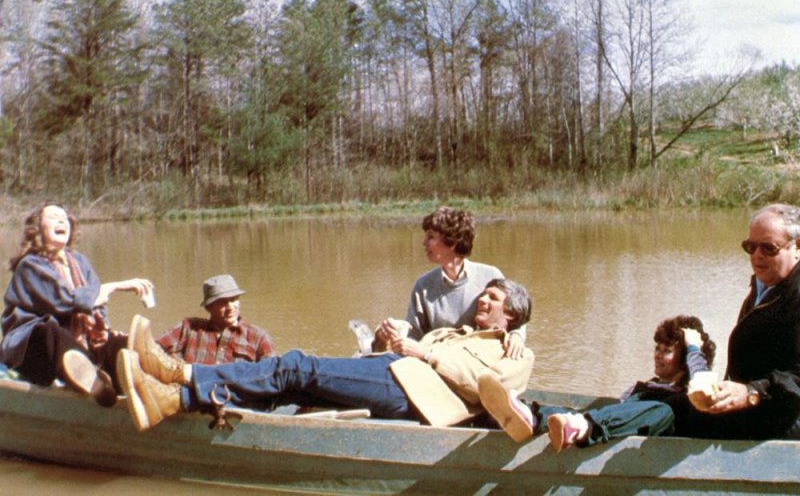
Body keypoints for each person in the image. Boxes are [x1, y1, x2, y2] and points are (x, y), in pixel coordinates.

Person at [117, 278, 534, 432]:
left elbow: (484, 387)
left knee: (296, 365)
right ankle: (170, 400)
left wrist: (424, 352)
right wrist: (391, 341)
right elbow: (415, 353)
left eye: (492, 298)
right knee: (288, 386)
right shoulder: (458, 333)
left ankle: (183, 375)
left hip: (414, 393)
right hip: (395, 374)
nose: (482, 300)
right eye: (483, 294)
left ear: (511, 314)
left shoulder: (516, 352)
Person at [480, 315, 715, 450]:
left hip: (641, 435)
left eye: (667, 351)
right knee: (579, 414)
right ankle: (533, 417)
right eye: (657, 348)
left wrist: (694, 347)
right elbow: (616, 414)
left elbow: (703, 384)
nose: (657, 355)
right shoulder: (642, 388)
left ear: (685, 361)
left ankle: (580, 426)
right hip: (606, 427)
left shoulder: (688, 397)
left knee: (663, 410)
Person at [0, 203, 153, 406]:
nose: (61, 221)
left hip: (79, 346)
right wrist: (115, 286)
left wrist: (102, 330)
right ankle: (95, 382)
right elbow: (68, 300)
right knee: (50, 330)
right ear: (37, 229)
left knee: (120, 343)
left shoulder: (81, 262)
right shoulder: (30, 265)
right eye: (53, 217)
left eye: (65, 218)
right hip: (33, 350)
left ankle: (135, 385)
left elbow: (96, 304)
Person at [671, 203, 800, 440]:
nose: (757, 255)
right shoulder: (765, 285)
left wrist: (751, 393)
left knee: (675, 415)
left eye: (769, 248)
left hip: (789, 417)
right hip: (761, 406)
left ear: (797, 247)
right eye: (751, 246)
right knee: (670, 403)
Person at [373, 206, 526, 359]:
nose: (423, 242)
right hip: (435, 364)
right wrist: (387, 336)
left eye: (431, 237)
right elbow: (414, 338)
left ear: (452, 241)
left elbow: (516, 314)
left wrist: (517, 336)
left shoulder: (490, 276)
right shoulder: (423, 286)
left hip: (479, 361)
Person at [156, 274, 275, 364]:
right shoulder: (188, 328)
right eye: (223, 302)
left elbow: (273, 377)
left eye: (234, 299)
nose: (231, 307)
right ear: (209, 307)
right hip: (193, 390)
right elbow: (153, 350)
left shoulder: (258, 338)